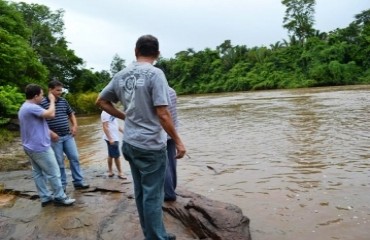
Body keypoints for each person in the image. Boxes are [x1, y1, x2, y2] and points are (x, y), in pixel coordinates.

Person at [96, 34, 186, 240]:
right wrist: (179, 142)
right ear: (157, 54)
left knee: (141, 192)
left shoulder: (121, 75)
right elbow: (163, 113)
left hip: (129, 143)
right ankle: (156, 237)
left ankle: (153, 234)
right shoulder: (156, 74)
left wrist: (124, 116)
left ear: (135, 51)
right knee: (153, 196)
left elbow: (101, 101)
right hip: (150, 145)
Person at [18, 84, 75, 207]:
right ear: (36, 96)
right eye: (42, 95)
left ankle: (45, 197)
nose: (43, 97)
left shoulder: (24, 107)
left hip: (29, 146)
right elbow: (51, 114)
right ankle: (60, 197)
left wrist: (49, 133)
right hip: (39, 147)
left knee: (38, 173)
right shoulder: (32, 107)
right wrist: (53, 101)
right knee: (54, 172)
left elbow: (35, 125)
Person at [40, 80, 89, 192]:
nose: (60, 92)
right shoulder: (42, 103)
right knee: (59, 162)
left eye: (61, 90)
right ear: (50, 90)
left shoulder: (63, 101)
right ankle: (62, 185)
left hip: (67, 135)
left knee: (74, 157)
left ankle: (78, 182)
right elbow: (39, 122)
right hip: (54, 138)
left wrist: (75, 126)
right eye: (57, 90)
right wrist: (50, 133)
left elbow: (71, 113)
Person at [164, 87, 179, 202]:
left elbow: (162, 115)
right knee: (172, 162)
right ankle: (172, 188)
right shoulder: (172, 91)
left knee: (163, 164)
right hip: (173, 132)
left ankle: (168, 193)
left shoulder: (155, 92)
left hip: (160, 134)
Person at [101, 110, 125, 179]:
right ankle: (120, 173)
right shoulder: (105, 113)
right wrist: (110, 138)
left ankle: (110, 171)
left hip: (114, 137)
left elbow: (116, 124)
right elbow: (105, 127)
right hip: (111, 138)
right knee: (117, 156)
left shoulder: (111, 111)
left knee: (111, 155)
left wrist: (123, 132)